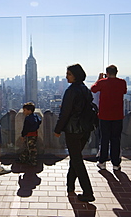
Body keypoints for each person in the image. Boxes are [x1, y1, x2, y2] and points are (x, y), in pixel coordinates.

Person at [54, 64, 95, 202]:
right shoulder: (85, 89)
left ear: (76, 75)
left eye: (69, 74)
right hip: (85, 129)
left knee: (77, 160)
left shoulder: (71, 91)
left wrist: (57, 129)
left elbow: (65, 113)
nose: (66, 76)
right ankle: (70, 185)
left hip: (73, 130)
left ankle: (88, 192)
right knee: (75, 157)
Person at [91, 65, 127, 171]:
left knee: (104, 138)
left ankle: (102, 162)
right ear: (117, 72)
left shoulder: (102, 82)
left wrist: (99, 79)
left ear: (107, 72)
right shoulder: (122, 82)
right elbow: (124, 91)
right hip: (117, 115)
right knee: (116, 139)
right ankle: (116, 163)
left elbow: (93, 89)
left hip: (104, 115)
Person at [18, 102, 42, 166]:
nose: (24, 112)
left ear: (29, 111)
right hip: (35, 134)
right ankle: (23, 159)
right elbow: (40, 121)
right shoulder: (36, 116)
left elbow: (25, 128)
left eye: (25, 110)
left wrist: (23, 135)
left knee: (31, 149)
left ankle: (32, 161)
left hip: (29, 135)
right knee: (29, 147)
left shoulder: (28, 118)